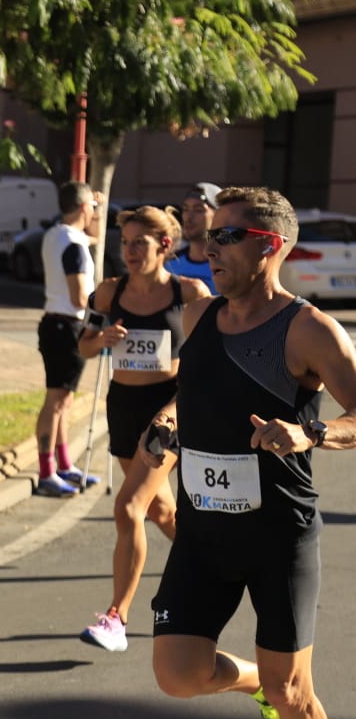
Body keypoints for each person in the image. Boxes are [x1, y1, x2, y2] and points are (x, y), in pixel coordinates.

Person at [146, 185, 356, 719]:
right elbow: (195, 388)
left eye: (226, 237)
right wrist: (168, 420)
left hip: (278, 535)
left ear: (270, 247)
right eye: (208, 236)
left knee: (293, 688)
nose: (209, 248)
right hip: (204, 530)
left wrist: (310, 433)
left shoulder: (308, 329)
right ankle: (252, 686)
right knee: (177, 674)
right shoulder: (201, 313)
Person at [77, 206, 211, 652]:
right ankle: (213, 565)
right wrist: (102, 341)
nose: (130, 251)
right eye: (126, 243)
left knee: (129, 507)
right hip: (124, 407)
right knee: (161, 511)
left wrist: (178, 407)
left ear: (164, 246)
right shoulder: (108, 292)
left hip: (168, 411)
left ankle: (117, 618)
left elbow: (209, 357)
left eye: (140, 243)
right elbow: (83, 346)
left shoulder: (189, 292)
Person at [34, 181, 107, 497]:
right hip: (67, 326)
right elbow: (80, 297)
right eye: (92, 206)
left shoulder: (56, 234)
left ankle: (63, 465)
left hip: (56, 324)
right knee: (56, 401)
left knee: (63, 400)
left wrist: (98, 210)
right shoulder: (74, 245)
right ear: (83, 207)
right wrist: (101, 313)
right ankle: (47, 472)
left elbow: (96, 237)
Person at [165, 182, 221, 294]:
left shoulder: (228, 267)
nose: (189, 217)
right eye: (185, 209)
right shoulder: (169, 264)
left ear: (218, 216)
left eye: (198, 210)